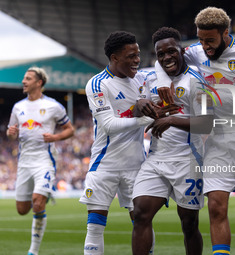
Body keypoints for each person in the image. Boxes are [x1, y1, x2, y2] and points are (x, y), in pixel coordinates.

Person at [155, 7, 235, 255]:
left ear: (225, 32)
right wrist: (161, 83)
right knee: (216, 207)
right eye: (201, 40)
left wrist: (218, 97)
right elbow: (163, 59)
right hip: (215, 139)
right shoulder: (197, 52)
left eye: (210, 40)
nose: (205, 46)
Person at [132, 27, 213, 255]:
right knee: (140, 213)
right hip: (157, 159)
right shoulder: (149, 79)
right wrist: (140, 106)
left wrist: (172, 120)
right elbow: (137, 113)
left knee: (189, 223)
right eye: (161, 54)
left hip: (188, 160)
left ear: (181, 50)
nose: (166, 57)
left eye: (171, 51)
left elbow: (207, 123)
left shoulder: (197, 81)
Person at [79, 31, 158, 255]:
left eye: (138, 55)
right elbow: (109, 125)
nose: (137, 60)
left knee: (142, 221)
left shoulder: (142, 80)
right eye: (131, 56)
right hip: (105, 164)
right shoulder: (97, 84)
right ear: (114, 58)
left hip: (136, 165)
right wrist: (145, 118)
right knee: (95, 226)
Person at [6, 67, 75, 255]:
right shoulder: (18, 107)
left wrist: (56, 137)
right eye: (23, 78)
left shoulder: (53, 106)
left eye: (28, 78)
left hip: (44, 160)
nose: (23, 81)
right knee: (22, 209)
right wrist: (11, 133)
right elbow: (11, 132)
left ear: (39, 83)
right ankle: (44, 191)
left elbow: (70, 129)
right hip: (24, 163)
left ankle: (33, 251)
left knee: (37, 203)